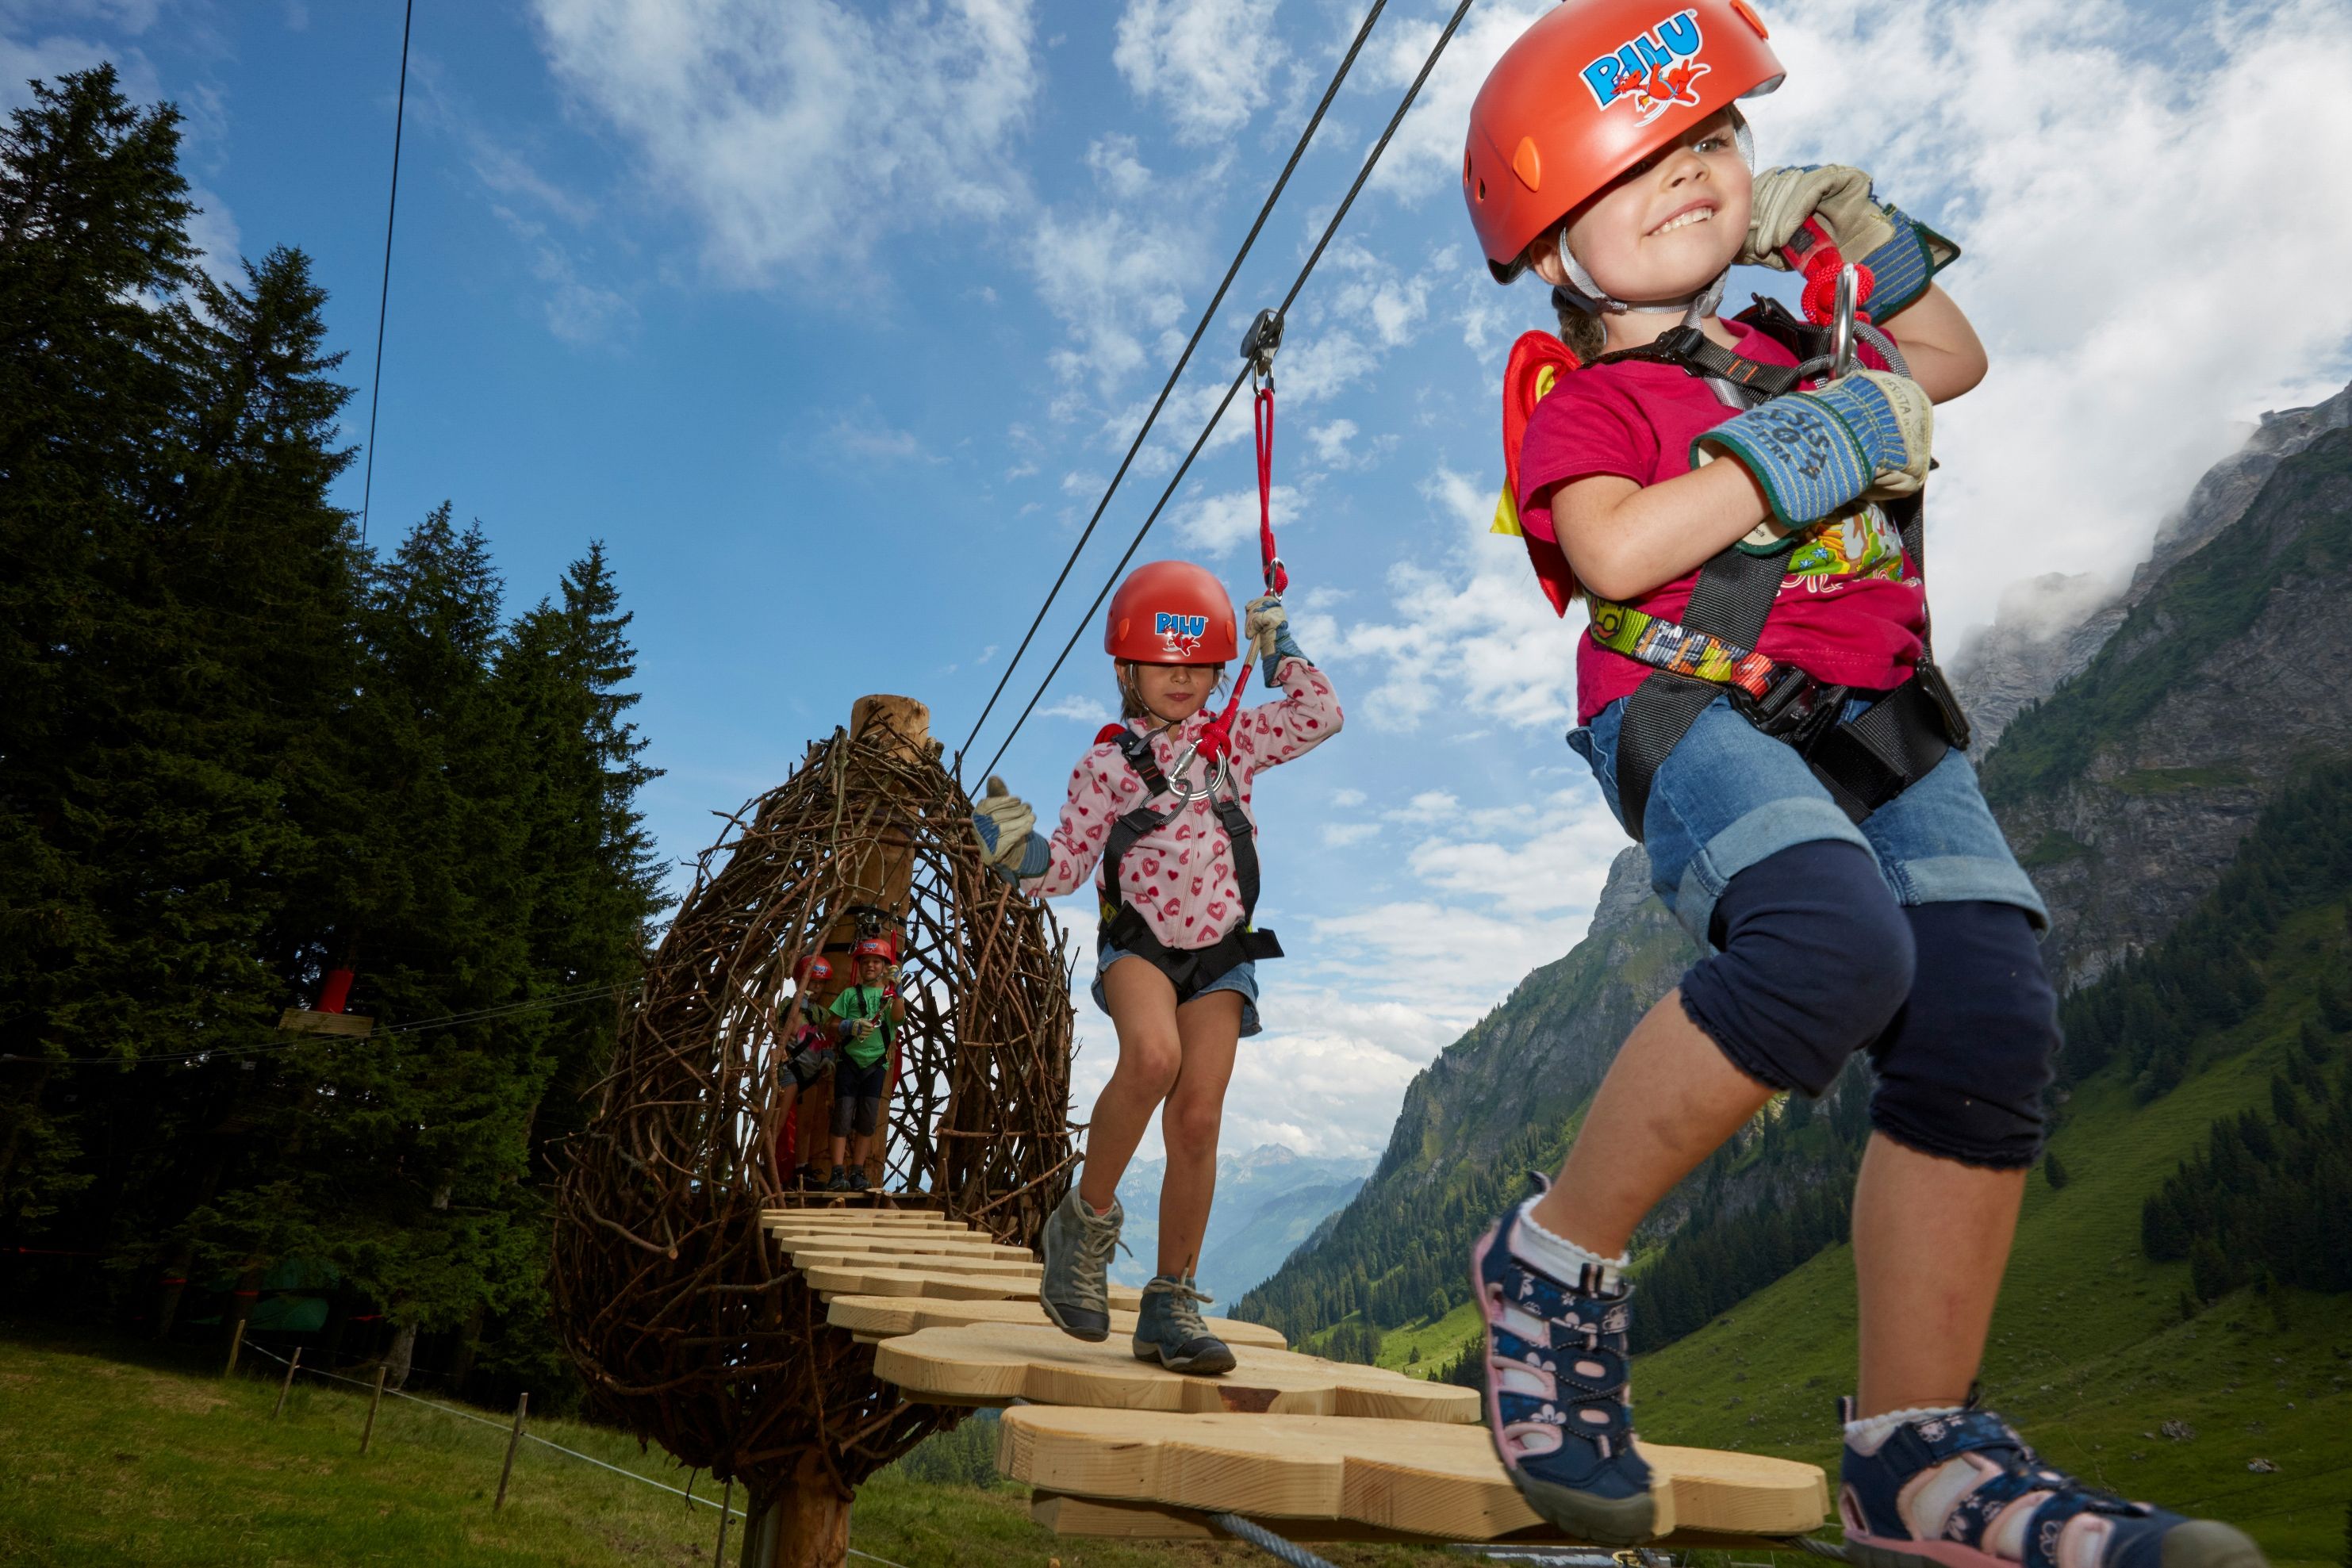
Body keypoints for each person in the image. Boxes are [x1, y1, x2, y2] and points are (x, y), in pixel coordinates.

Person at [1452, 5, 2265, 1566]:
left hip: (1882, 715)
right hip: (1695, 699)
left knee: (1987, 1006)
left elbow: (1951, 360)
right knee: (1828, 945)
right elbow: (1612, 548)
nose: (1693, 170)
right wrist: (1795, 453)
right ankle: (1551, 1260)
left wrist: (1862, 237)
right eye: (1641, 163)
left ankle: (1916, 1454)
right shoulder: (1590, 404)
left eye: (1713, 138)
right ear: (1553, 245)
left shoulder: (1790, 337)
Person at [970, 561, 1340, 1374]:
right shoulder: (1105, 766)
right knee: (1152, 1057)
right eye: (1163, 663)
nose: (1183, 679)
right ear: (1126, 670)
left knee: (1198, 1118)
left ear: (1219, 668)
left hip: (1221, 952)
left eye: (1200, 664)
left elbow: (1320, 716)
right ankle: (1081, 1229)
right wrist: (1016, 852)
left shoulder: (1235, 740)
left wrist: (1281, 651)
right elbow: (1066, 866)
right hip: (1137, 943)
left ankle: (1170, 1302)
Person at [824, 937, 902, 1192]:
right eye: (866, 961)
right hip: (849, 1062)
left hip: (875, 1066)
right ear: (859, 966)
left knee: (868, 1120)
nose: (870, 966)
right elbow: (831, 1025)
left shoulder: (889, 996)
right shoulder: (849, 994)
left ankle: (857, 1171)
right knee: (842, 1116)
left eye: (876, 962)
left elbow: (898, 1018)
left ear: (885, 967)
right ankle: (837, 1172)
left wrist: (898, 991)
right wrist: (849, 1026)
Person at [766, 955, 835, 1190]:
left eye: (820, 983)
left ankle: (801, 1171)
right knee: (778, 1121)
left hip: (812, 1073)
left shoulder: (821, 1013)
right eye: (812, 982)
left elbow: (825, 1039)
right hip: (791, 1068)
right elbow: (790, 1026)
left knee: (805, 1125)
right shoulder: (789, 1004)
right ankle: (767, 1167)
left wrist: (827, 1058)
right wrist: (801, 999)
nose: (817, 987)